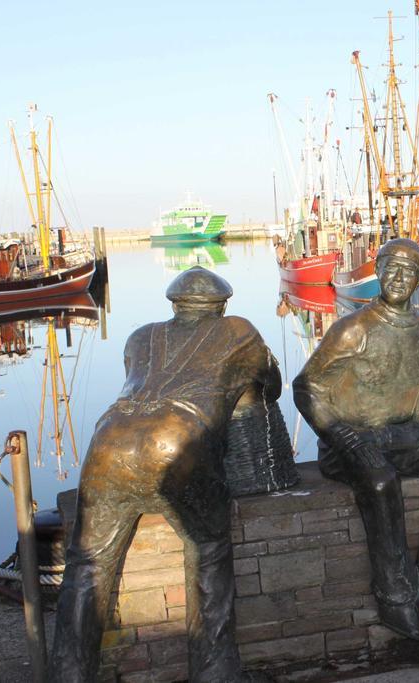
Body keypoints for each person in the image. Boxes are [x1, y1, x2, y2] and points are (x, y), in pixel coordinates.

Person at [50, 267, 280, 682]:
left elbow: (142, 381)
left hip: (109, 441)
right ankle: (215, 673)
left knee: (86, 565)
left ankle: (68, 675)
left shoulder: (141, 336)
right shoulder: (239, 331)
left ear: (174, 304)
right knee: (209, 550)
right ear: (222, 305)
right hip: (177, 442)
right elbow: (271, 383)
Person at [293, 239, 419, 640]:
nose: (398, 278)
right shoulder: (353, 329)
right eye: (391, 268)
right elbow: (307, 388)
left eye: (408, 272)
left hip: (401, 440)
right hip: (348, 447)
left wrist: (387, 435)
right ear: (377, 272)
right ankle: (394, 596)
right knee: (380, 480)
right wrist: (344, 435)